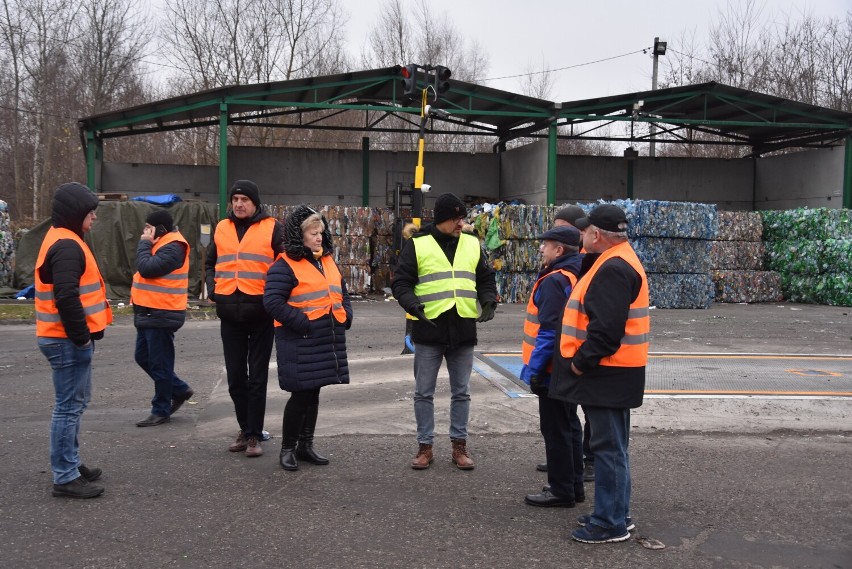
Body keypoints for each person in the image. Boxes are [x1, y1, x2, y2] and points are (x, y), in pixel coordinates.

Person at [549, 204, 650, 544]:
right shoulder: (617, 260)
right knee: (614, 448)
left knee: (607, 449)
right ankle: (616, 513)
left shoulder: (613, 267)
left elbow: (606, 331)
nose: (580, 235)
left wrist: (579, 363)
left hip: (607, 373)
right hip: (617, 373)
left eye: (584, 230)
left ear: (596, 235)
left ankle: (609, 523)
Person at [392, 192, 497, 471]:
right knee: (423, 392)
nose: (461, 223)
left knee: (461, 392)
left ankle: (459, 446)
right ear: (442, 219)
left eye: (462, 218)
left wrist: (489, 300)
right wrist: (414, 306)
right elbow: (401, 283)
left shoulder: (472, 244)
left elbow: (486, 277)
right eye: (456, 218)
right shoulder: (418, 245)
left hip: (462, 328)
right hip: (430, 329)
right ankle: (425, 447)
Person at [35, 182, 113, 499]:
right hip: (66, 341)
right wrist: (82, 339)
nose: (93, 218)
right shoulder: (67, 245)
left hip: (63, 338)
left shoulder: (63, 239)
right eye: (90, 213)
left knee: (73, 406)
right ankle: (65, 475)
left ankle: (71, 464)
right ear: (75, 214)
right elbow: (66, 297)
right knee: (68, 408)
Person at [263, 206, 352, 471]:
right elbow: (272, 302)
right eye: (313, 233)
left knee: (313, 392)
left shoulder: (326, 261)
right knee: (301, 395)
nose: (319, 238)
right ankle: (288, 448)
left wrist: (345, 315)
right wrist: (303, 323)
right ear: (299, 235)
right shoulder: (284, 265)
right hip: (300, 338)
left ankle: (305, 445)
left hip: (324, 337)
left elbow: (341, 291)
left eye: (321, 233)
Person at [206, 180, 285, 457]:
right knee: (236, 378)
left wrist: (275, 297)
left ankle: (253, 435)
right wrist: (213, 288)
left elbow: (284, 264)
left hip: (261, 313)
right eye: (235, 199)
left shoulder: (272, 227)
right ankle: (244, 427)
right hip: (229, 313)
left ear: (255, 203)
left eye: (245, 200)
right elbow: (209, 262)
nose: (239, 204)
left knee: (257, 378)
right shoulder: (221, 228)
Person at [519, 225, 584, 508]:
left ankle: (561, 490)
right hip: (569, 361)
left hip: (551, 367)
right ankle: (573, 486)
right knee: (569, 425)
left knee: (556, 429)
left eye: (545, 245)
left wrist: (533, 369)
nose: (542, 249)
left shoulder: (555, 280)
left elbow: (548, 331)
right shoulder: (577, 272)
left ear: (559, 250)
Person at [546, 203, 596, 484]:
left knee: (589, 408)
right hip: (570, 347)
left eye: (561, 229)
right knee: (568, 413)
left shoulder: (592, 259)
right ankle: (568, 459)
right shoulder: (571, 261)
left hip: (584, 348)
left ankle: (589, 460)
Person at [131, 209, 194, 427]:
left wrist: (144, 244)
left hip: (162, 313)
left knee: (160, 364)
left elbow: (147, 268)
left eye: (148, 228)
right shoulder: (161, 244)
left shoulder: (174, 246)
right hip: (149, 312)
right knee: (143, 357)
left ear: (159, 229)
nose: (144, 232)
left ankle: (161, 409)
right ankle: (179, 389)